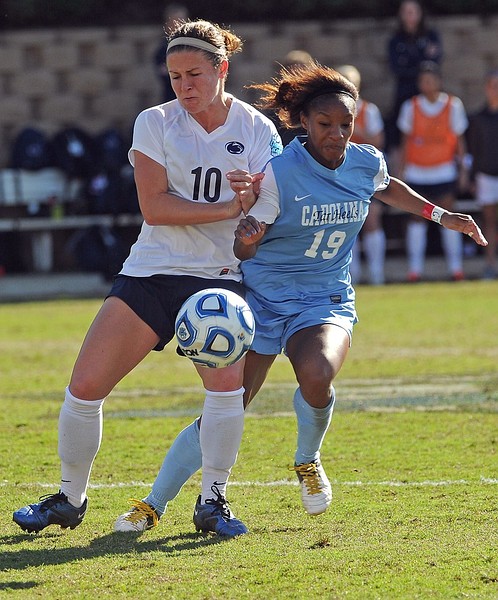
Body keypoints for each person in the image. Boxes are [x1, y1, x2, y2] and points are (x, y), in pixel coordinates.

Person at [113, 61, 486, 534]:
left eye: (346, 125)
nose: (337, 134)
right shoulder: (280, 173)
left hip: (324, 298)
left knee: (318, 372)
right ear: (305, 123)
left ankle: (307, 461)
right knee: (229, 406)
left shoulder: (366, 161)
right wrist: (246, 235)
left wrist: (441, 215)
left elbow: (387, 188)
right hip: (263, 299)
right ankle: (153, 503)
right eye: (326, 124)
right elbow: (243, 246)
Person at [12, 19, 282, 539]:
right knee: (84, 386)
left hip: (219, 280)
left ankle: (212, 500)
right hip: (152, 270)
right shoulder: (154, 122)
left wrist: (255, 214)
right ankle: (70, 497)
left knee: (226, 390)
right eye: (175, 76)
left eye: (195, 74)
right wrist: (232, 204)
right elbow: (155, 208)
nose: (184, 86)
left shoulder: (254, 128)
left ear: (222, 68)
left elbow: (267, 206)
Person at [397, 60, 469, 282]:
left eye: (431, 80)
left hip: (444, 171)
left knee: (449, 214)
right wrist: (401, 170)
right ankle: (415, 270)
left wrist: (463, 169)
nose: (427, 84)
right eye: (423, 80)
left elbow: (459, 141)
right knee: (417, 217)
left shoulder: (452, 105)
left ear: (439, 82)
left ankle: (456, 268)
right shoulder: (411, 106)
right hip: (417, 172)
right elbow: (405, 142)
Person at [336, 64, 386, 285]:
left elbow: (378, 141)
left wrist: (355, 131)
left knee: (372, 219)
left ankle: (377, 272)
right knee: (345, 224)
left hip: (363, 175)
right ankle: (351, 274)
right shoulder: (331, 110)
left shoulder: (369, 110)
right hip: (338, 174)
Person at [386, 0, 442, 159]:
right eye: (406, 11)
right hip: (404, 91)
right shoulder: (396, 40)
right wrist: (422, 58)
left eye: (413, 10)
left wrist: (412, 63)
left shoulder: (431, 35)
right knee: (400, 128)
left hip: (428, 92)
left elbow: (433, 65)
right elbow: (397, 68)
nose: (410, 14)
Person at [466, 68, 498, 280]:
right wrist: (472, 177)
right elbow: (473, 150)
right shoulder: (478, 118)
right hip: (486, 175)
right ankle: (490, 264)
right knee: (489, 221)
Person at [153, 4, 189, 102]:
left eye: (182, 20)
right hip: (172, 98)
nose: (179, 24)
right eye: (175, 21)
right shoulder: (163, 50)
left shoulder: (193, 46)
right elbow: (165, 75)